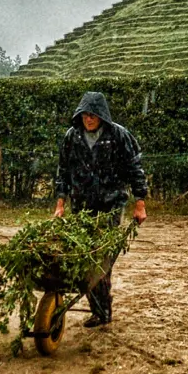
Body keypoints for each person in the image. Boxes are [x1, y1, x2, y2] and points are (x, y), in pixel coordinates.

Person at [54, 90, 148, 327]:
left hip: (111, 204)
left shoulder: (118, 135)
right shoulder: (72, 137)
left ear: (102, 116)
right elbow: (63, 171)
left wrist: (140, 203)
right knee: (84, 256)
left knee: (100, 257)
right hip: (82, 206)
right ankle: (99, 311)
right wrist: (60, 203)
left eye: (93, 115)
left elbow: (134, 169)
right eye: (85, 115)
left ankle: (102, 310)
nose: (88, 119)